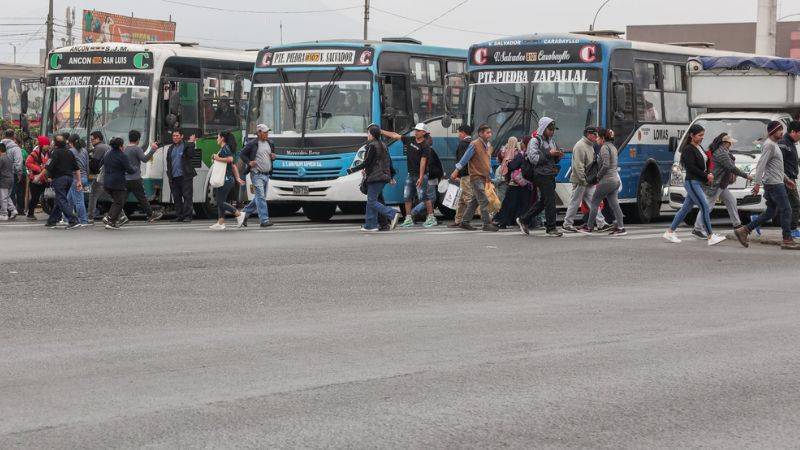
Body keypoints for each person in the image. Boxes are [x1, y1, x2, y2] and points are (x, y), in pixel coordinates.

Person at [734, 121, 800, 250]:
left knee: (771, 212)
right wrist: (757, 184)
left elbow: (777, 167)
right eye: (780, 130)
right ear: (773, 132)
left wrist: (786, 179)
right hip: (774, 184)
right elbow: (761, 165)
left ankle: (744, 230)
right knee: (787, 210)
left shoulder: (774, 145)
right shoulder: (769, 145)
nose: (782, 132)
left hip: (776, 182)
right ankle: (787, 239)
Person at [662, 124, 726, 246]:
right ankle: (710, 236)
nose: (702, 137)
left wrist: (709, 173)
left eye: (703, 135)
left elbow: (706, 162)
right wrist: (706, 176)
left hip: (698, 181)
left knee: (685, 208)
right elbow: (691, 167)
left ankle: (670, 232)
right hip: (692, 182)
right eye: (699, 135)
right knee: (705, 206)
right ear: (692, 135)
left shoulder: (699, 147)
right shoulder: (688, 149)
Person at [691, 133, 752, 239]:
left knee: (731, 201)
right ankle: (697, 228)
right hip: (715, 184)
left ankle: (737, 225)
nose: (731, 145)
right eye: (730, 143)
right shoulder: (721, 153)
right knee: (708, 206)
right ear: (724, 143)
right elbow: (732, 168)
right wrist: (746, 175)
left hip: (721, 184)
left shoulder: (724, 152)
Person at [381, 123, 436, 228]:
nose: (416, 132)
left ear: (424, 133)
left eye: (419, 131)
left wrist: (420, 177)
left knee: (424, 197)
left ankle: (431, 217)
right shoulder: (410, 140)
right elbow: (395, 135)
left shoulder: (425, 146)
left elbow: (423, 163)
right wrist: (381, 131)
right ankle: (408, 218)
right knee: (407, 197)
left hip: (421, 176)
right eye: (416, 130)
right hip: (410, 174)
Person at [347, 124, 400, 232]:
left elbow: (367, 162)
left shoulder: (371, 145)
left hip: (375, 177)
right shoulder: (384, 145)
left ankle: (392, 214)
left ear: (371, 135)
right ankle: (371, 225)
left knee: (372, 201)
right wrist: (390, 176)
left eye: (368, 133)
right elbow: (388, 162)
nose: (367, 135)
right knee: (375, 200)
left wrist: (352, 169)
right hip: (383, 176)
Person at [517, 117, 564, 237]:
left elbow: (552, 158)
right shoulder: (534, 141)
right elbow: (534, 159)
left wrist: (558, 155)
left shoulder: (551, 141)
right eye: (550, 129)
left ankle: (524, 219)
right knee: (550, 200)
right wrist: (549, 154)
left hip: (550, 173)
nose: (552, 132)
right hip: (541, 174)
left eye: (553, 129)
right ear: (543, 128)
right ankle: (551, 228)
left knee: (544, 201)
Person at [449, 123, 499, 232]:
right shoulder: (474, 144)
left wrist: (490, 176)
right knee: (484, 200)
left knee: (474, 201)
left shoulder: (487, 145)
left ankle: (464, 222)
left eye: (490, 132)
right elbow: (464, 159)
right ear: (480, 133)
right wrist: (456, 171)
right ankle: (486, 224)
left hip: (483, 177)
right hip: (476, 176)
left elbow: (487, 162)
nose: (489, 135)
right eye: (487, 133)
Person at [563, 127, 608, 232]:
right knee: (575, 202)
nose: (596, 137)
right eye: (595, 135)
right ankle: (567, 224)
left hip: (588, 180)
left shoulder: (590, 145)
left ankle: (601, 223)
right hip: (581, 180)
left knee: (594, 201)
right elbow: (578, 165)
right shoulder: (580, 146)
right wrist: (583, 180)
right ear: (588, 134)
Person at [584, 128, 626, 236]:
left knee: (594, 203)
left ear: (602, 138)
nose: (596, 139)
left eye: (598, 137)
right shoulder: (613, 148)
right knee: (615, 204)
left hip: (606, 181)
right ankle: (621, 228)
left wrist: (598, 177)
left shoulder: (604, 148)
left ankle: (589, 227)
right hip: (615, 181)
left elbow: (606, 165)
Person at [237, 123, 277, 228]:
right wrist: (249, 162)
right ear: (259, 133)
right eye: (264, 132)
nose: (267, 134)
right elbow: (242, 154)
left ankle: (244, 214)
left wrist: (273, 157)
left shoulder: (270, 143)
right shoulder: (252, 144)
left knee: (259, 198)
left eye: (267, 132)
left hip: (266, 175)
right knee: (261, 197)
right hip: (256, 174)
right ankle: (264, 220)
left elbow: (271, 156)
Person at [124, 129, 163, 223]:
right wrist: (153, 149)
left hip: (125, 178)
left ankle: (114, 215)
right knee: (142, 198)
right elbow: (144, 159)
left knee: (121, 199)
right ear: (138, 139)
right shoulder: (137, 149)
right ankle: (150, 214)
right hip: (135, 178)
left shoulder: (125, 149)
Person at [44, 137, 83, 229]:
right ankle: (52, 220)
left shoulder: (55, 153)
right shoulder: (69, 152)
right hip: (69, 179)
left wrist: (45, 177)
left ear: (56, 144)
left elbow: (48, 167)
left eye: (53, 142)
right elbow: (77, 168)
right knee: (59, 200)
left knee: (61, 199)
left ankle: (73, 220)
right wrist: (79, 181)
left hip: (59, 179)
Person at [209, 131, 245, 230]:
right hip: (228, 179)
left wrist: (217, 158)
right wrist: (237, 178)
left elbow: (230, 159)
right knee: (221, 201)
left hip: (225, 179)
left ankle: (239, 214)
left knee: (220, 202)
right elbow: (233, 166)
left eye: (218, 137)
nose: (217, 139)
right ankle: (221, 223)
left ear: (222, 138)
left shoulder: (225, 148)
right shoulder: (225, 148)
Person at [492, 137, 530, 228]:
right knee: (521, 203)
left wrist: (508, 163)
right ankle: (521, 221)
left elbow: (512, 166)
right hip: (524, 182)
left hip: (514, 182)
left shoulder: (518, 154)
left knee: (508, 203)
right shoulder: (525, 154)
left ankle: (501, 220)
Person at [102, 137, 136, 229]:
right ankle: (111, 222)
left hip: (106, 182)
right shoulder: (122, 155)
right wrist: (135, 169)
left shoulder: (107, 154)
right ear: (121, 146)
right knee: (119, 202)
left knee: (116, 201)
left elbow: (101, 164)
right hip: (117, 183)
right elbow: (129, 170)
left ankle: (109, 217)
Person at [166, 129, 197, 222]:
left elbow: (191, 155)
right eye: (173, 136)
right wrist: (169, 176)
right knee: (176, 197)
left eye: (177, 136)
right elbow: (169, 163)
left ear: (182, 136)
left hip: (185, 176)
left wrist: (192, 143)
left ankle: (188, 216)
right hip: (174, 177)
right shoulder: (170, 148)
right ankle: (179, 215)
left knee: (187, 196)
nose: (175, 137)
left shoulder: (186, 145)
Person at [447, 124, 474, 228]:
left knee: (468, 199)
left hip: (466, 175)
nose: (458, 135)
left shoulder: (463, 144)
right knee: (461, 200)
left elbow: (462, 161)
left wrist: (457, 173)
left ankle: (485, 218)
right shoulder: (473, 142)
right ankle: (458, 220)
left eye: (459, 132)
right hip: (469, 174)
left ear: (463, 133)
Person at [777, 121, 800, 238]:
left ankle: (757, 220)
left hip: (789, 177)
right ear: (793, 132)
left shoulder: (790, 143)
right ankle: (792, 229)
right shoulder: (784, 143)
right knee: (795, 204)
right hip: (786, 179)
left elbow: (791, 160)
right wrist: (786, 178)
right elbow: (779, 163)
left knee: (779, 206)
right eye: (799, 134)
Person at [66, 134, 90, 225]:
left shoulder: (70, 151)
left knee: (79, 201)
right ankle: (66, 218)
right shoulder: (84, 150)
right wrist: (86, 177)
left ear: (71, 142)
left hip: (75, 179)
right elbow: (87, 166)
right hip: (84, 177)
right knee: (69, 200)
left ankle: (83, 220)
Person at [25, 136, 50, 220]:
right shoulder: (34, 154)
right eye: (47, 144)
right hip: (35, 179)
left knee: (47, 196)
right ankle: (30, 213)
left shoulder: (48, 154)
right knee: (35, 198)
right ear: (42, 145)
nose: (48, 146)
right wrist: (38, 168)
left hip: (45, 179)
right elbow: (27, 163)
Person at [87, 131, 110, 222]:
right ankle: (120, 214)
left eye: (92, 140)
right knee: (113, 196)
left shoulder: (99, 148)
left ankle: (90, 216)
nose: (91, 142)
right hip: (109, 175)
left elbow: (95, 164)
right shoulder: (107, 146)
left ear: (98, 139)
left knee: (93, 195)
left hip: (102, 175)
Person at [1, 130, 24, 215]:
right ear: (13, 136)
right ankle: (10, 211)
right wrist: (19, 174)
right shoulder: (16, 148)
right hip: (11, 174)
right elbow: (18, 163)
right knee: (10, 193)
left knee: (3, 194)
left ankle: (6, 211)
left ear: (4, 135)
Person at [0, 143, 16, 221]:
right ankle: (13, 210)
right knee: (6, 196)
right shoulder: (9, 158)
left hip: (4, 180)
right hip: (11, 179)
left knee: (3, 198)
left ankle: (4, 214)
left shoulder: (1, 158)